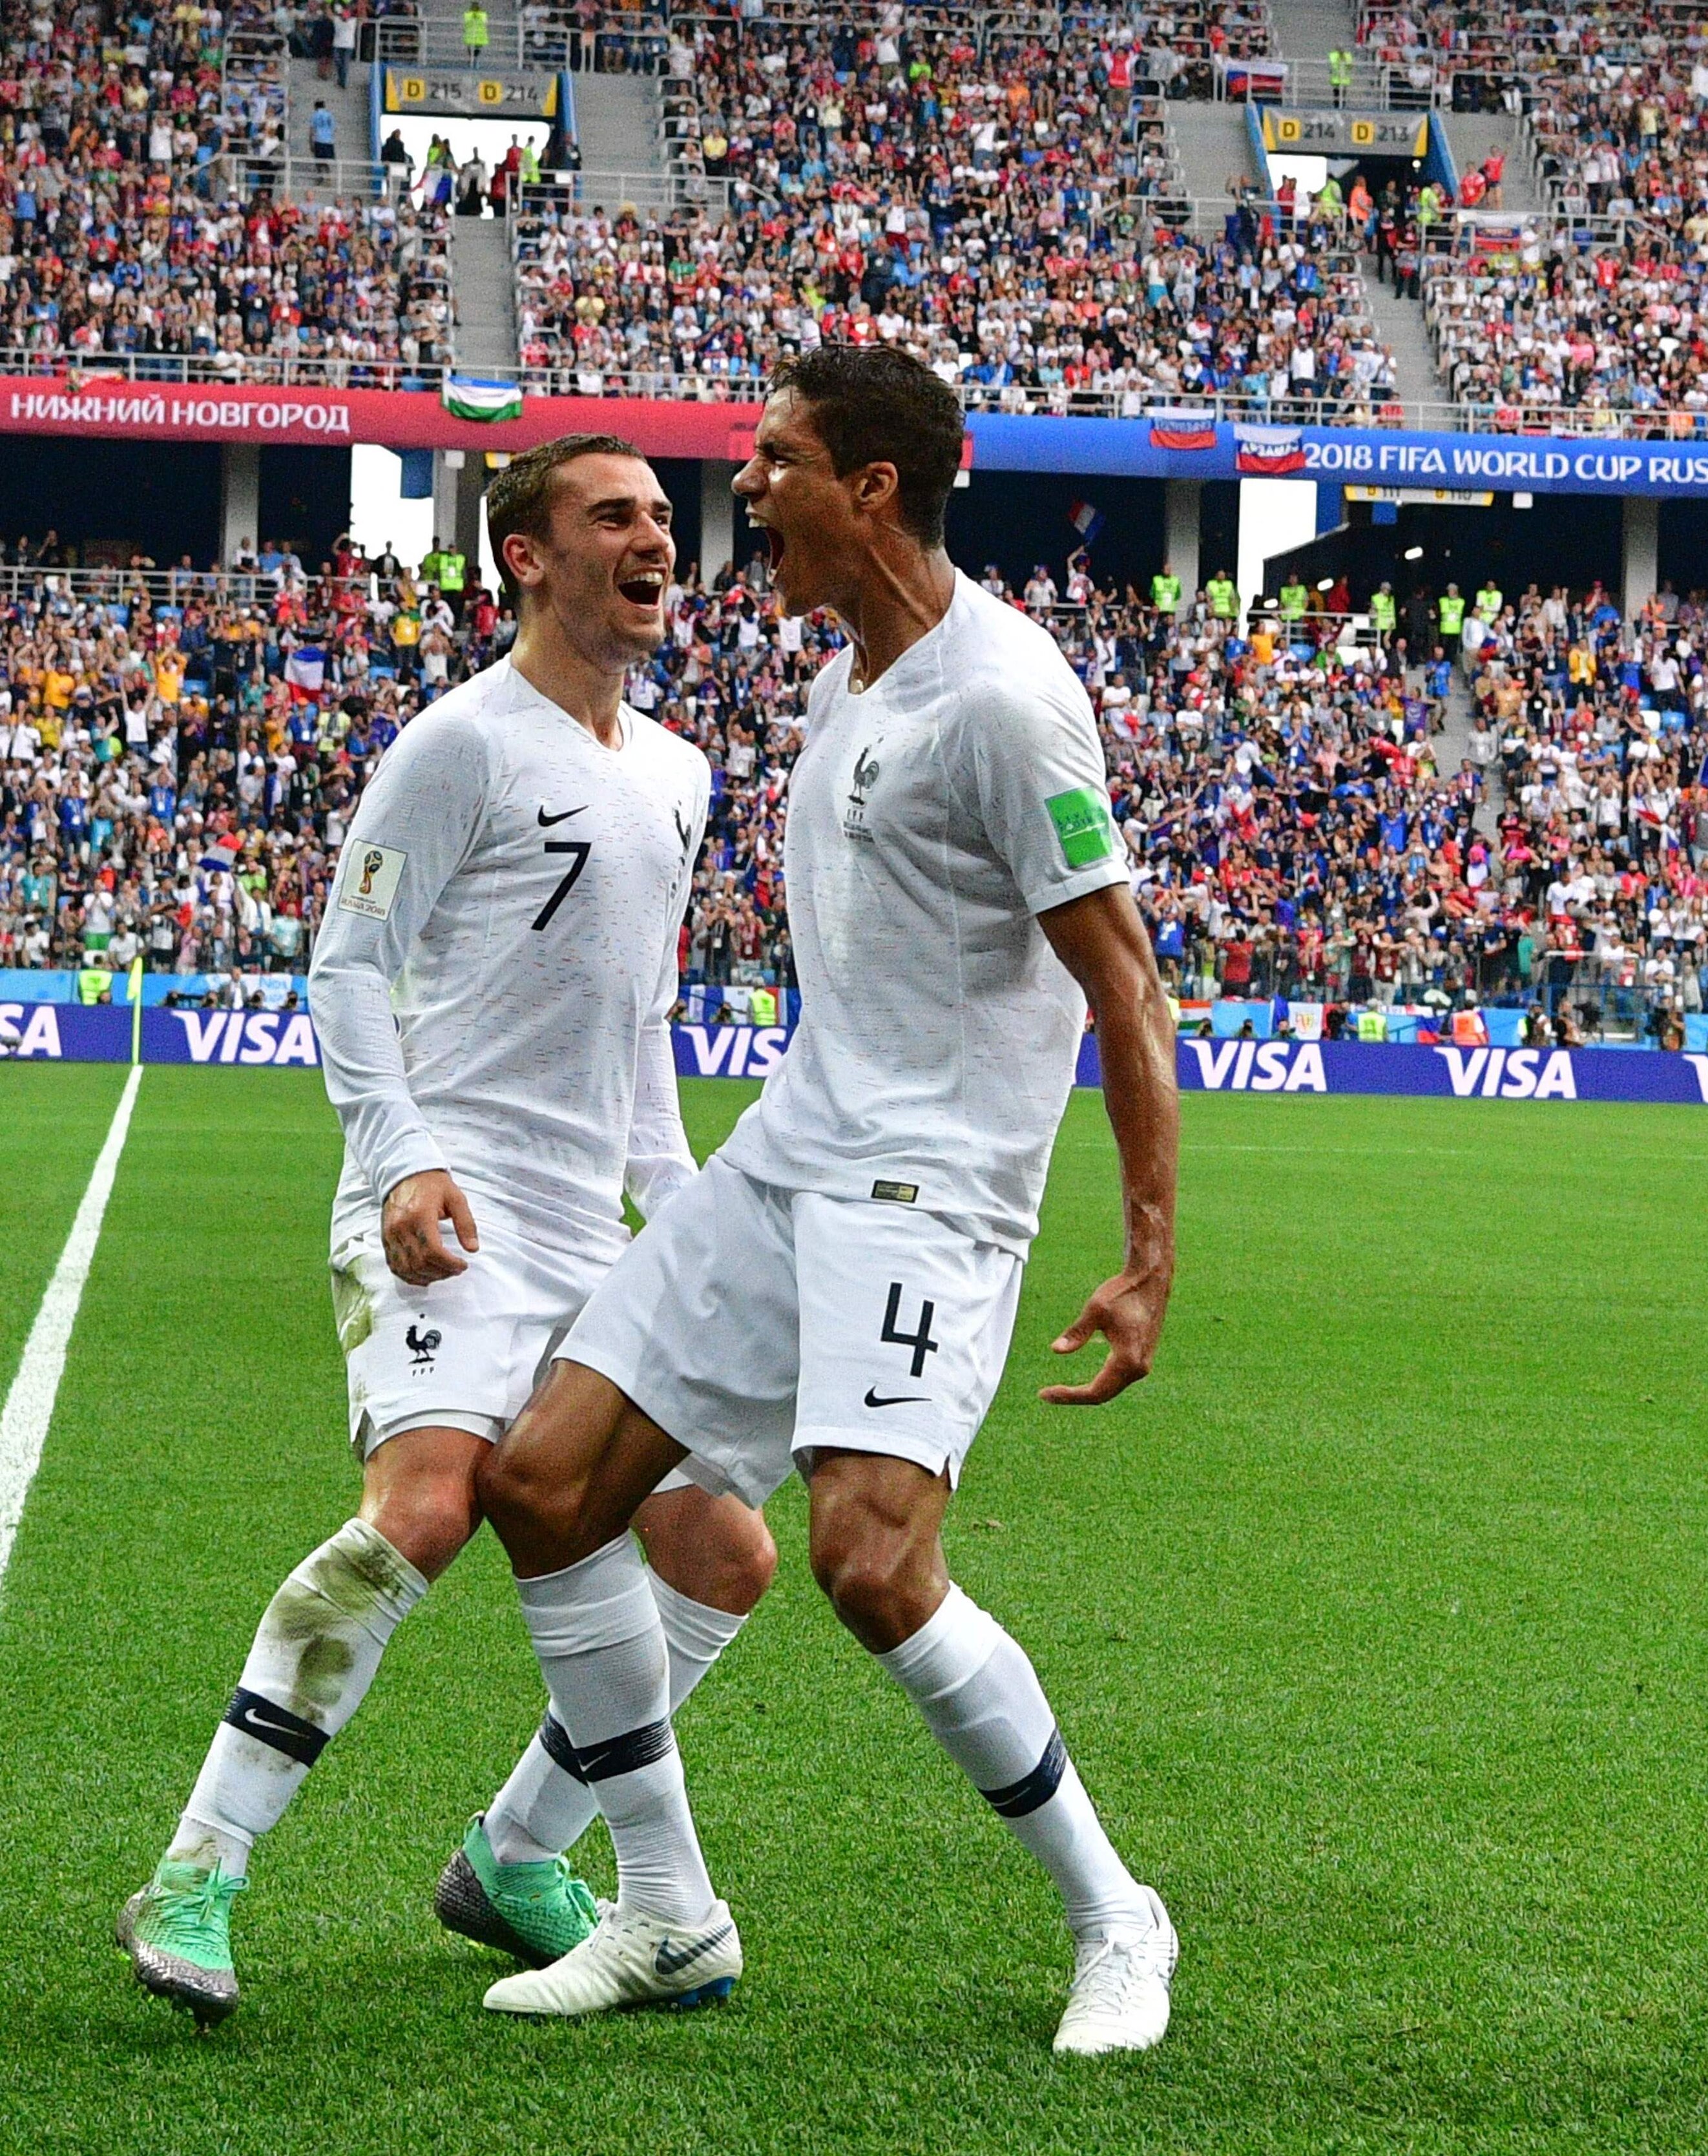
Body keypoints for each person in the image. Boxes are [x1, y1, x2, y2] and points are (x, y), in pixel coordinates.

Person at [461, 347, 1188, 2053]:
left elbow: (1127, 987)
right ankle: (663, 1912)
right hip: (789, 1154)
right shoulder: (849, 683)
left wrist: (1148, 1255)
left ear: (873, 487)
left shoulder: (1003, 699)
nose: (745, 489)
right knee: (549, 1482)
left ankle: (1115, 1915)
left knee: (872, 1565)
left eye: (774, 460)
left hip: (927, 1193)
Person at [116, 437, 778, 2026]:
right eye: (613, 515)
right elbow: (347, 967)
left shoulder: (681, 773)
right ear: (526, 560)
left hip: (587, 1225)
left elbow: (637, 1027)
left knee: (722, 1544)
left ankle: (518, 1850)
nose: (656, 539)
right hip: (442, 1208)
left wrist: (680, 1219)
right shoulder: (456, 744)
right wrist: (400, 1153)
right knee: (429, 1507)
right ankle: (199, 1869)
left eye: (661, 519)